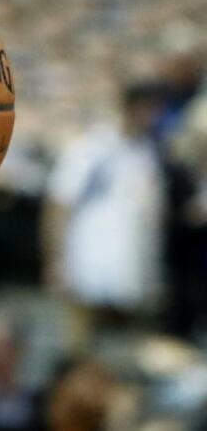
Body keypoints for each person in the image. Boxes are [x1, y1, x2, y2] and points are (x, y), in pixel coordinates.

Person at [42, 80, 169, 343]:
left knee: (123, 353)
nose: (152, 117)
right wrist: (55, 260)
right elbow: (60, 201)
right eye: (148, 109)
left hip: (128, 274)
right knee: (78, 348)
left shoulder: (147, 153)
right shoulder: (93, 147)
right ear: (130, 107)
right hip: (87, 266)